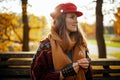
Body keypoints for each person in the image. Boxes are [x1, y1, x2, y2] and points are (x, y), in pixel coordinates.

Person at [31, 2, 93, 80]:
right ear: (61, 20)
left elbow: (89, 76)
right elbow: (36, 76)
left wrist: (86, 68)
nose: (76, 21)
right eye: (72, 17)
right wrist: (62, 74)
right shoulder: (46, 46)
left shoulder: (80, 43)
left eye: (76, 18)